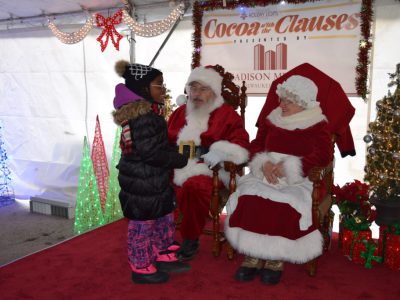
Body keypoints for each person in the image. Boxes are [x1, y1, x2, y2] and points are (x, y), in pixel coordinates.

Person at [224, 75, 333, 285]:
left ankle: (275, 257)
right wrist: (263, 163)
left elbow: (323, 155)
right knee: (248, 197)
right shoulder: (272, 118)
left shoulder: (317, 123)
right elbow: (257, 144)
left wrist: (289, 167)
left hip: (298, 178)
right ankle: (252, 253)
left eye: (287, 101)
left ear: (302, 102)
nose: (281, 104)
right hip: (264, 173)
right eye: (281, 99)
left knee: (284, 203)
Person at [112, 60, 190, 284]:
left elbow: (155, 147)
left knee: (163, 217)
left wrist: (172, 152)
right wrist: (179, 159)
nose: (163, 89)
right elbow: (151, 153)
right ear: (143, 89)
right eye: (158, 85)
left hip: (152, 180)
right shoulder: (144, 118)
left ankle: (163, 252)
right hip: (143, 182)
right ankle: (140, 266)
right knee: (143, 225)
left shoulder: (148, 114)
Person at [167, 65, 250, 261]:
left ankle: (189, 239)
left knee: (193, 187)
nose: (196, 94)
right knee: (149, 180)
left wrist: (222, 152)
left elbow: (242, 145)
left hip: (210, 169)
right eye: (193, 88)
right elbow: (165, 141)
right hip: (175, 163)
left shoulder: (227, 114)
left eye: (203, 89)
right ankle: (158, 235)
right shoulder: (179, 113)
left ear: (214, 92)